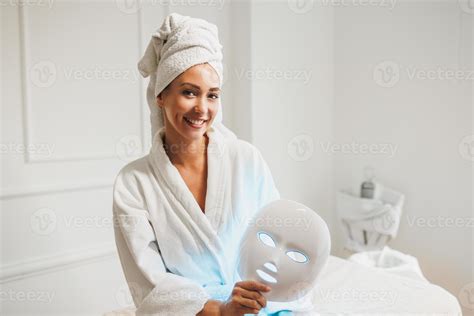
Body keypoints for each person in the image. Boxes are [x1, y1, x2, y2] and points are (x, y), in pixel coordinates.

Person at [112, 13, 288, 315]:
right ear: (161, 96)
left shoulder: (246, 159)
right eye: (189, 92)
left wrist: (255, 299)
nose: (202, 109)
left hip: (256, 306)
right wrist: (220, 310)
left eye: (213, 95)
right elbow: (148, 282)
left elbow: (277, 238)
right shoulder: (134, 183)